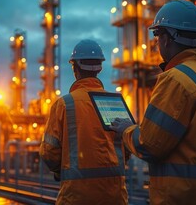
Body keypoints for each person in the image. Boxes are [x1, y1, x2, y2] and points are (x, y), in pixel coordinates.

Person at [111, 0, 196, 205]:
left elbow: (149, 145)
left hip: (185, 197)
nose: (157, 41)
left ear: (167, 39)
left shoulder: (176, 80)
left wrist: (126, 130)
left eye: (157, 35)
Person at [39, 39, 129, 205]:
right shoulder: (116, 102)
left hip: (75, 197)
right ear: (100, 68)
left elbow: (49, 152)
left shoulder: (64, 104)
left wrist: (58, 170)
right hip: (115, 197)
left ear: (75, 68)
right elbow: (129, 145)